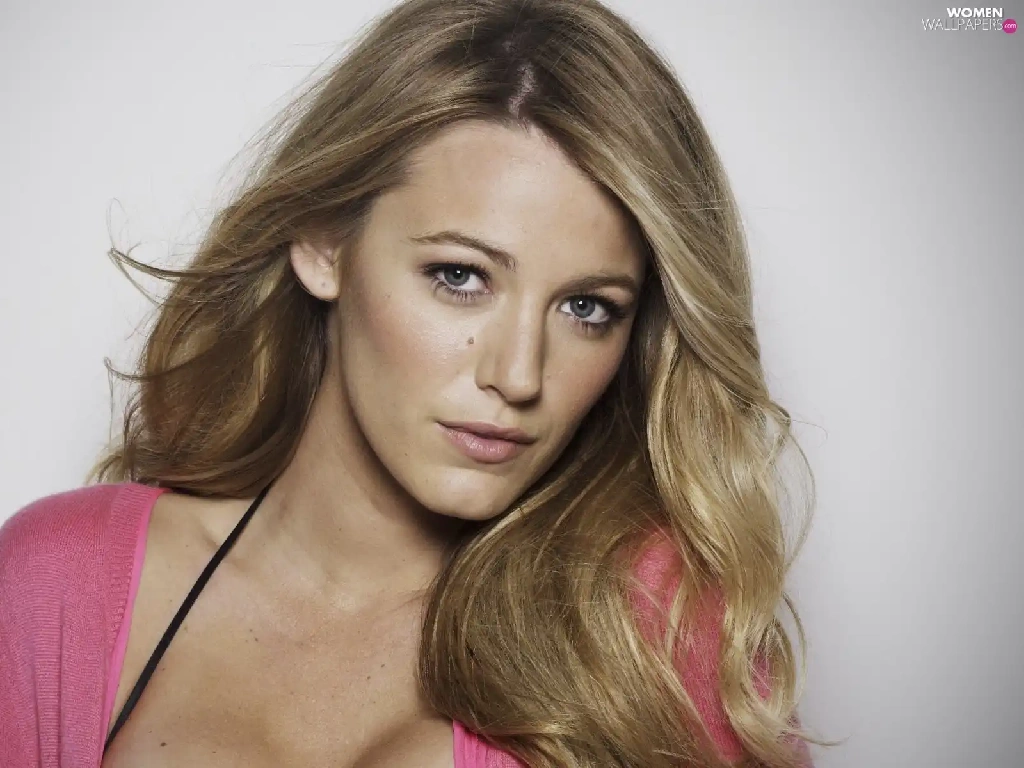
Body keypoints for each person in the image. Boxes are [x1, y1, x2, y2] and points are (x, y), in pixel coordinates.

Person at [0, 0, 825, 765]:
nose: (518, 375)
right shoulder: (61, 584)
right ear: (324, 242)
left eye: (586, 307)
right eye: (460, 276)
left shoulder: (653, 637)